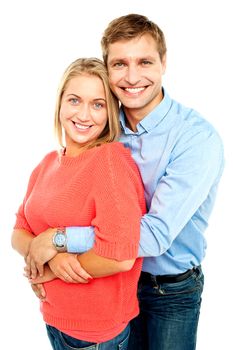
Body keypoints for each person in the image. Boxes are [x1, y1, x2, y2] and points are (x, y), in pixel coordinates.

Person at [23, 14, 224, 350]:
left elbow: (155, 235)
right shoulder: (100, 121)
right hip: (109, 287)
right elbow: (64, 191)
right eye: (119, 64)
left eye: (144, 62)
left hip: (168, 289)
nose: (132, 77)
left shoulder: (197, 139)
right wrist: (46, 250)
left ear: (163, 63)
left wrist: (58, 242)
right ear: (107, 69)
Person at [11, 57, 147, 350]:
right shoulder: (48, 163)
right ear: (60, 102)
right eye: (75, 100)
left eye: (98, 104)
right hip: (55, 319)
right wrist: (52, 257)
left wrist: (48, 269)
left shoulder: (110, 161)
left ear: (110, 113)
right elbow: (19, 232)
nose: (84, 115)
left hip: (96, 332)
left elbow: (120, 256)